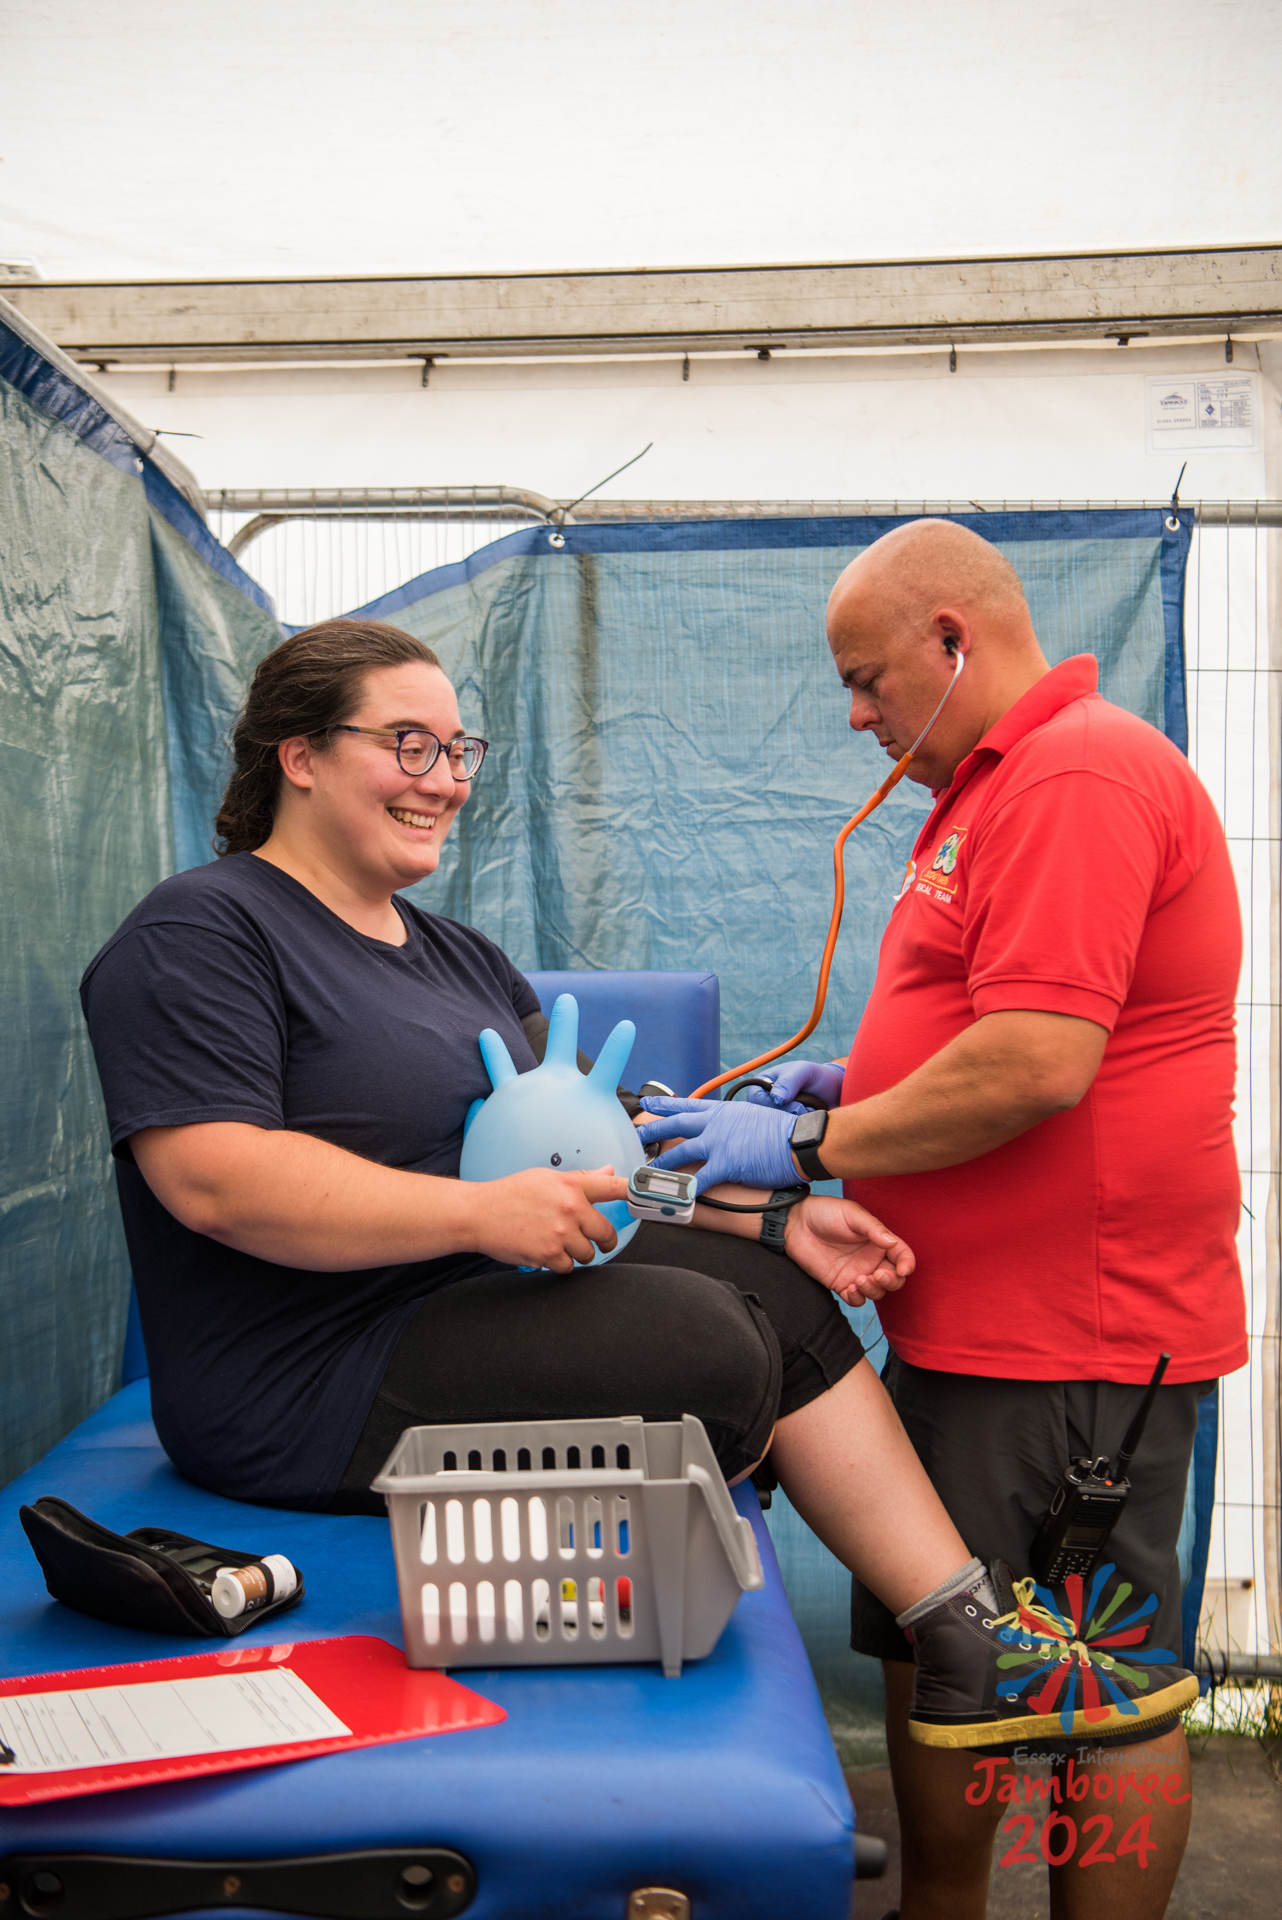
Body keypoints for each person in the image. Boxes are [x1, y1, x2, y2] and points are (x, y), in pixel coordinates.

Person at [82, 614, 1034, 1725]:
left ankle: (964, 1632)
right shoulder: (202, 931)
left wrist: (766, 1223)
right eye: (406, 745)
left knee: (778, 1290)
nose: (442, 780)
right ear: (298, 756)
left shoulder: (458, 956)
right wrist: (479, 1214)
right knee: (711, 1345)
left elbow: (590, 1146)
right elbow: (213, 1178)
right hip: (304, 1379)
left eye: (456, 750)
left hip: (460, 1305)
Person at [638, 520, 1247, 1920]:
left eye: (865, 680)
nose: (854, 715)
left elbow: (1039, 1060)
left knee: (1094, 1686)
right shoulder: (989, 789)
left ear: (951, 639)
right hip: (972, 1324)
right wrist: (857, 1077)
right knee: (945, 1650)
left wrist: (801, 1136)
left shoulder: (1075, 773)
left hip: (1071, 1341)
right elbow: (999, 1015)